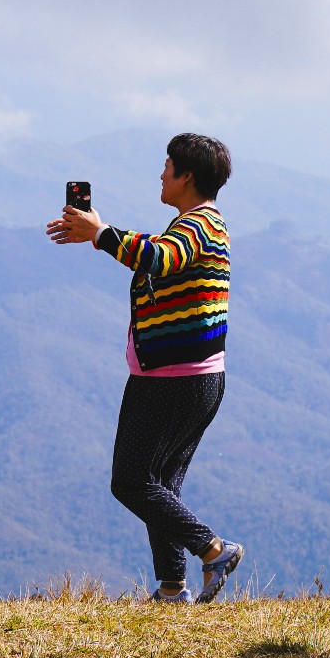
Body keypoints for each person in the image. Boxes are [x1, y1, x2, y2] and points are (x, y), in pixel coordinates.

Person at [46, 134, 245, 603]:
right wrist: (97, 238)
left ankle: (212, 548)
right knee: (162, 485)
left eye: (168, 166)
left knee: (131, 481)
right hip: (188, 377)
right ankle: (172, 587)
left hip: (175, 380)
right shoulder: (193, 227)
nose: (161, 173)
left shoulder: (200, 227)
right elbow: (156, 252)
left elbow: (157, 257)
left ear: (187, 176)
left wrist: (100, 232)